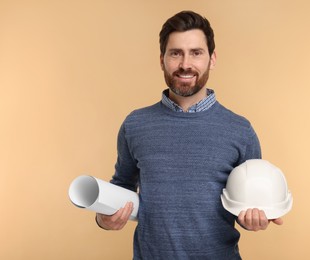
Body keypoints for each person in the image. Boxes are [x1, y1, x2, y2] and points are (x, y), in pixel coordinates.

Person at [96, 10, 283, 259]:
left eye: (196, 52)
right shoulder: (135, 125)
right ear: (162, 59)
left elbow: (248, 205)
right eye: (176, 53)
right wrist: (103, 218)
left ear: (212, 59)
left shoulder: (240, 131)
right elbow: (121, 186)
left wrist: (253, 219)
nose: (185, 64)